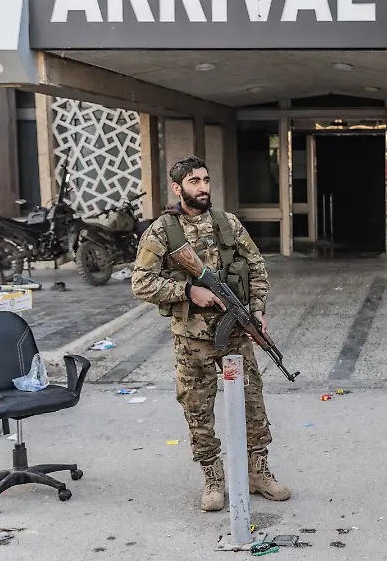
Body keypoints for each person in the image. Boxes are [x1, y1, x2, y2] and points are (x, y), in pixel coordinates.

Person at [131, 155, 291, 512]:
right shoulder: (162, 231)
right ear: (177, 188)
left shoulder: (227, 223)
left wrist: (257, 309)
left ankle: (257, 472)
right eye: (194, 182)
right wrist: (188, 291)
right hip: (192, 341)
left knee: (253, 404)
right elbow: (141, 283)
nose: (203, 187)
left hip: (235, 336)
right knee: (197, 410)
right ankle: (213, 477)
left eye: (205, 180)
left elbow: (256, 266)